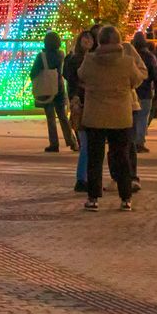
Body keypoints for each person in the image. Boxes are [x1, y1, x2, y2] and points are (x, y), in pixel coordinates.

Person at [78, 24, 143, 211]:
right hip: (120, 116)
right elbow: (136, 80)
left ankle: (93, 198)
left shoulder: (90, 60)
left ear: (99, 41)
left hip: (95, 115)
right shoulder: (127, 62)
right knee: (122, 157)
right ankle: (125, 198)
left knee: (95, 158)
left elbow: (81, 76)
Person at [31, 31, 77, 152]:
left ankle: (54, 143)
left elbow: (33, 72)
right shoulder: (61, 54)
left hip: (47, 88)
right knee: (62, 116)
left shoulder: (41, 56)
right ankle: (72, 142)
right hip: (59, 86)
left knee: (50, 117)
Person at [64, 30, 95, 193]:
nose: (87, 41)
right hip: (81, 103)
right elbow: (73, 79)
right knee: (87, 145)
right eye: (85, 38)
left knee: (89, 145)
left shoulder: (91, 58)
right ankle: (82, 179)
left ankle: (86, 178)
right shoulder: (75, 59)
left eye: (90, 39)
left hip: (89, 103)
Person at [132, 31, 157, 152]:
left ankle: (133, 141)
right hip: (145, 91)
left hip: (133, 91)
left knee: (133, 118)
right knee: (143, 117)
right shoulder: (149, 57)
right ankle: (139, 142)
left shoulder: (130, 56)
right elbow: (155, 73)